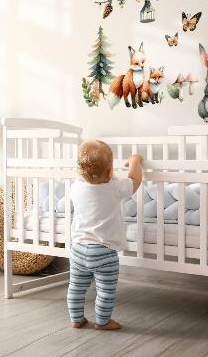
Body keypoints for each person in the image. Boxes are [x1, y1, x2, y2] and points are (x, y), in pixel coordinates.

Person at [67, 140, 143, 330]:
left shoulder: (75, 187)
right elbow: (135, 181)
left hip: (77, 249)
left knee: (76, 287)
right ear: (110, 172)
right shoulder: (114, 187)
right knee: (105, 291)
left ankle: (76, 319)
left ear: (80, 172)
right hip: (104, 252)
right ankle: (103, 322)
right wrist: (134, 160)